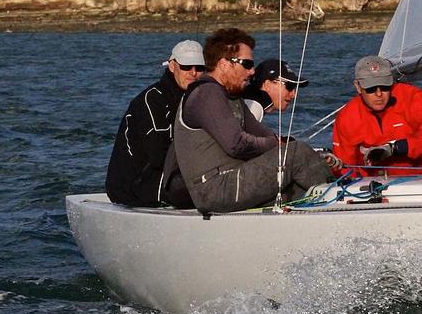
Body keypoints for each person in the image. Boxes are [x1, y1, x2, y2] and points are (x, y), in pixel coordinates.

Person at [169, 28, 333, 214]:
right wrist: (282, 146)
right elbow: (237, 144)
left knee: (299, 186)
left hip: (233, 181)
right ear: (223, 64)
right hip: (214, 189)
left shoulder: (231, 97)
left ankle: (325, 215)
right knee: (295, 153)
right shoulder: (206, 93)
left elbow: (263, 134)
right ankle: (335, 202)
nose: (252, 71)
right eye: (246, 64)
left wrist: (287, 143)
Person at [106, 40, 204, 208]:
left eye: (199, 67)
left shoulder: (198, 99)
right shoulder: (152, 100)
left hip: (166, 178)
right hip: (134, 187)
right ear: (172, 66)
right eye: (187, 67)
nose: (193, 73)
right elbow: (158, 154)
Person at [332, 55, 422, 177]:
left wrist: (394, 148)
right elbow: (345, 168)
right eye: (371, 88)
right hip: (373, 187)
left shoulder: (414, 98)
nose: (379, 94)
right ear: (358, 87)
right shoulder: (347, 117)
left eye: (385, 87)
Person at [242, 58, 309, 122]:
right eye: (289, 86)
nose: (293, 95)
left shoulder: (245, 99)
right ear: (267, 85)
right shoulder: (253, 107)